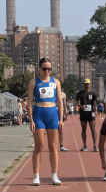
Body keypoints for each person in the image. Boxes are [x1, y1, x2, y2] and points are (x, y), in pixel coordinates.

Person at [27, 58, 63, 186]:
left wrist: (61, 119)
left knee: (53, 147)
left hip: (53, 115)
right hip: (39, 116)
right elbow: (29, 103)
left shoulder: (56, 82)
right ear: (39, 68)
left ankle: (54, 176)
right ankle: (36, 176)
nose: (47, 71)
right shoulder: (33, 82)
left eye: (49, 69)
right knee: (39, 146)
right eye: (44, 68)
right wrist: (31, 120)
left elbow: (59, 101)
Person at [76, 79, 99, 152]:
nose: (87, 85)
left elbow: (95, 103)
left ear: (90, 84)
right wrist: (81, 106)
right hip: (83, 113)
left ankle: (95, 146)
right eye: (85, 83)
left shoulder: (93, 93)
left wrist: (96, 110)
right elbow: (78, 103)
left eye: (88, 83)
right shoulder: (80, 93)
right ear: (83, 84)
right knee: (83, 129)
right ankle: (85, 145)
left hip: (91, 113)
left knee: (93, 129)